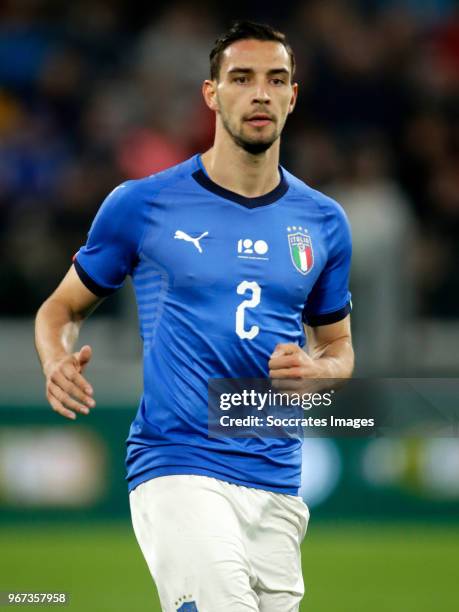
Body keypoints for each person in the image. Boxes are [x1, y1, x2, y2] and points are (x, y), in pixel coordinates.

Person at [35, 21, 354, 612]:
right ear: (211, 94)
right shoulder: (142, 204)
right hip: (177, 463)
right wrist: (56, 357)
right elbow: (61, 308)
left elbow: (339, 349)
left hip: (278, 479)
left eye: (275, 80)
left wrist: (319, 372)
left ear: (292, 97)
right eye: (241, 78)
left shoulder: (324, 221)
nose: (259, 93)